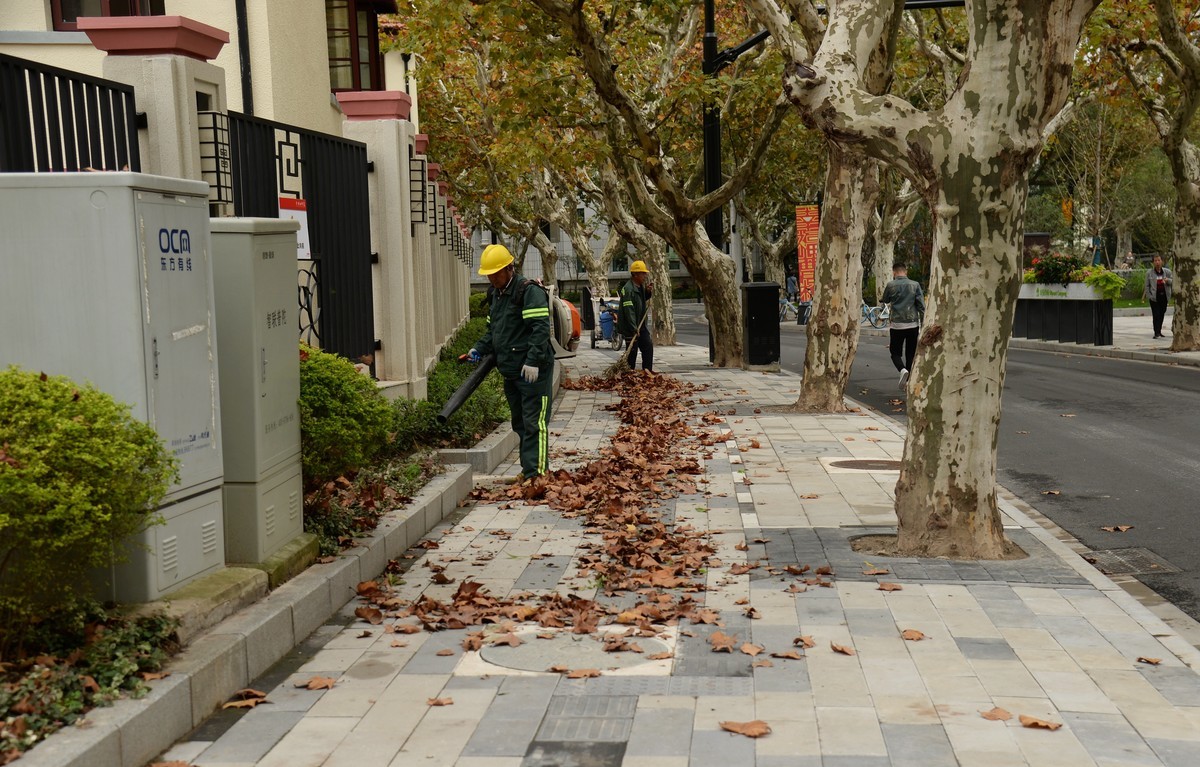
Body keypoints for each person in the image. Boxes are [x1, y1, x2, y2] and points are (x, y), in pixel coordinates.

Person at [465, 244, 554, 480]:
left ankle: (538, 475)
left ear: (509, 268)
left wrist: (533, 360)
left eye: (496, 273)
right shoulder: (495, 295)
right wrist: (478, 349)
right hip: (511, 372)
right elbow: (493, 332)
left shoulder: (528, 291)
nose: (492, 278)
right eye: (489, 275)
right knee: (521, 424)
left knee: (535, 423)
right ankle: (529, 471)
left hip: (534, 371)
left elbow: (540, 329)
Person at [880, 263, 925, 389]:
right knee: (910, 353)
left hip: (897, 324)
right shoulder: (915, 284)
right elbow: (921, 305)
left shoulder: (890, 285)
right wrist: (924, 322)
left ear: (894, 272)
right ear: (906, 271)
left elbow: (886, 299)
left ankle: (902, 370)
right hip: (913, 324)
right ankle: (908, 381)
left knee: (895, 352)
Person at [618, 260, 654, 372]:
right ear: (635, 274)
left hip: (640, 325)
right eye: (643, 273)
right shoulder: (628, 290)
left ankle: (647, 371)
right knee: (632, 353)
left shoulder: (639, 287)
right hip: (631, 327)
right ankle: (629, 374)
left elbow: (641, 302)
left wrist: (647, 292)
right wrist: (634, 328)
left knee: (648, 347)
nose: (645, 276)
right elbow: (629, 311)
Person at [1144, 254, 1173, 339]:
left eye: (1159, 260)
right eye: (1155, 261)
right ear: (1153, 262)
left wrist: (1167, 280)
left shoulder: (1167, 272)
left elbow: (1173, 281)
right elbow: (1147, 286)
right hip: (1154, 297)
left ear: (1162, 261)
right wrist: (1150, 296)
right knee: (1156, 314)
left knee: (1162, 313)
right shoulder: (1149, 273)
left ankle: (1159, 331)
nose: (1157, 262)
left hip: (1164, 296)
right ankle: (1156, 332)